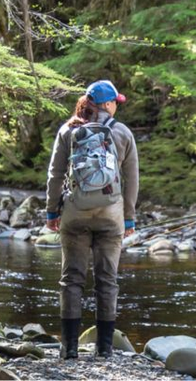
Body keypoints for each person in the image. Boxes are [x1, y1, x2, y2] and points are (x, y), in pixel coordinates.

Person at [45, 80, 139, 360]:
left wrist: (52, 212)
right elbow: (132, 179)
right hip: (111, 215)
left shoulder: (68, 130)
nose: (116, 106)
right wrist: (129, 219)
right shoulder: (122, 132)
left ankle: (69, 348)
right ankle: (105, 349)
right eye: (115, 102)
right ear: (108, 104)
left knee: (71, 279)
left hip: (75, 213)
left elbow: (55, 174)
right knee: (107, 280)